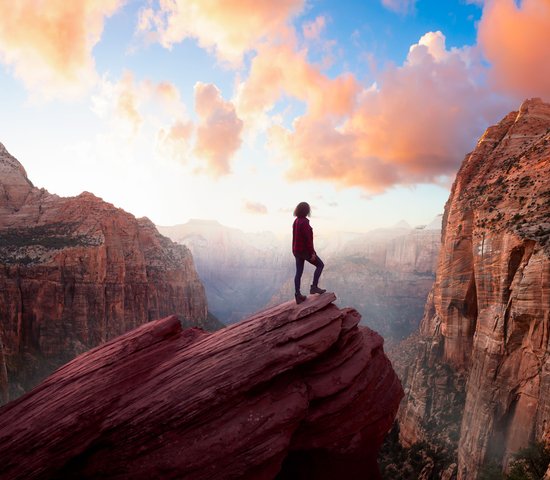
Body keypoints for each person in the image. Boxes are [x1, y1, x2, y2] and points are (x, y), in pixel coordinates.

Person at [292, 201, 326, 304]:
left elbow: (295, 237)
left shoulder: (296, 221)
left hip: (296, 250)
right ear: (306, 211)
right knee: (320, 265)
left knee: (298, 272)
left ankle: (298, 295)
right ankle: (314, 287)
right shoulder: (305, 222)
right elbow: (308, 240)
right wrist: (312, 253)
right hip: (304, 251)